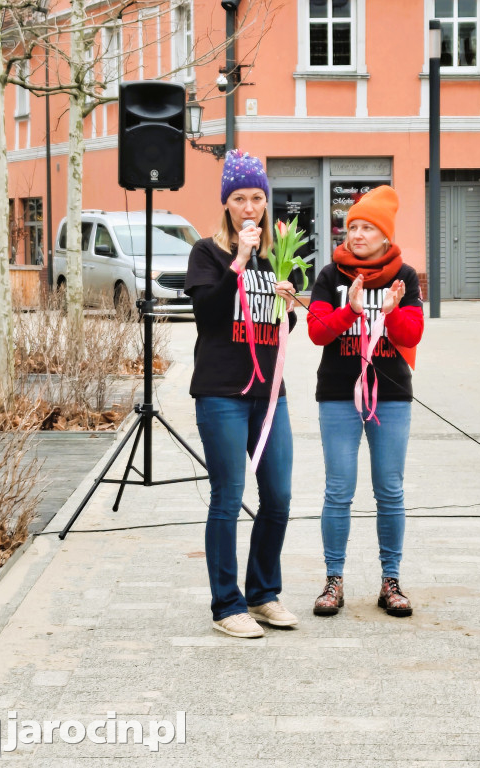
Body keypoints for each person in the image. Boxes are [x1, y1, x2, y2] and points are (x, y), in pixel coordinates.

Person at [184, 149, 298, 638]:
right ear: (226, 204)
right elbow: (208, 315)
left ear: (266, 202)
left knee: (278, 496)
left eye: (257, 197)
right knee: (227, 497)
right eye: (239, 198)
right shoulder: (207, 252)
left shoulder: (280, 254)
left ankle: (264, 594)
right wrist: (239, 262)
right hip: (222, 393)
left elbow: (280, 328)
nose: (250, 207)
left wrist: (289, 304)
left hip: (270, 395)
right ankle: (227, 605)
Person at [307, 185, 424, 618]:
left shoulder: (405, 277)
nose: (355, 234)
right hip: (337, 395)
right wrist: (352, 311)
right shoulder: (330, 275)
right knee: (338, 490)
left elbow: (411, 334)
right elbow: (318, 332)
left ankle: (390, 581)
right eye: (351, 226)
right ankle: (333, 581)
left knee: (389, 491)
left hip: (391, 396)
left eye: (366, 227)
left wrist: (391, 312)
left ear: (384, 236)